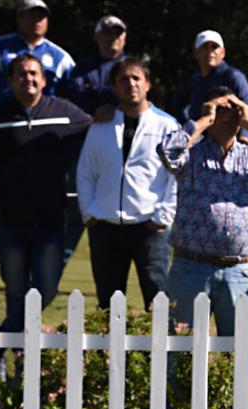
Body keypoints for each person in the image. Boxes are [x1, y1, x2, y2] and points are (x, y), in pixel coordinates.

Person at [0, 54, 91, 367]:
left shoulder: (64, 112)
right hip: (10, 221)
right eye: (22, 75)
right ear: (11, 81)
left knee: (46, 290)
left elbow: (95, 132)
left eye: (34, 74)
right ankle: (18, 361)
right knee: (15, 292)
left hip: (50, 222)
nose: (29, 79)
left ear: (44, 79)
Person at [158, 85, 248, 393]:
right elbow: (166, 152)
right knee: (180, 355)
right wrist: (201, 121)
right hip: (190, 267)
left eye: (233, 110)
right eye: (220, 111)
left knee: (238, 359)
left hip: (240, 272)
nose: (227, 117)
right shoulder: (191, 157)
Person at [76, 56, 177, 310]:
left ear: (148, 84)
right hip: (105, 225)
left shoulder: (167, 125)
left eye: (136, 78)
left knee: (158, 301)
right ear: (114, 87)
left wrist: (163, 216)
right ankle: (111, 351)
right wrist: (89, 212)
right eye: (123, 79)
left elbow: (177, 176)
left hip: (149, 227)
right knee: (108, 304)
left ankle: (160, 351)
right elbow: (86, 172)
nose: (130, 83)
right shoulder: (101, 126)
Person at [60, 14, 129, 267]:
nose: (113, 38)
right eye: (108, 33)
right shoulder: (81, 69)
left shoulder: (132, 69)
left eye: (118, 33)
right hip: (82, 151)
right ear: (96, 36)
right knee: (74, 211)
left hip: (122, 152)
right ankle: (49, 278)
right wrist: (93, 113)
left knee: (115, 213)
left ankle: (111, 277)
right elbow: (70, 103)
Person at [0, 0, 75, 117]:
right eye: (31, 16)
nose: (36, 21)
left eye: (41, 17)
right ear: (19, 18)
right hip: (2, 123)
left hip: (44, 125)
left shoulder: (61, 58)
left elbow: (75, 92)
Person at [170, 30, 248, 141]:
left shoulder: (233, 76)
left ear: (223, 52)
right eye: (205, 47)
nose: (210, 51)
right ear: (196, 53)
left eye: (214, 47)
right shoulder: (194, 80)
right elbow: (177, 102)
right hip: (199, 145)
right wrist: (187, 128)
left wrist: (244, 136)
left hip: (226, 143)